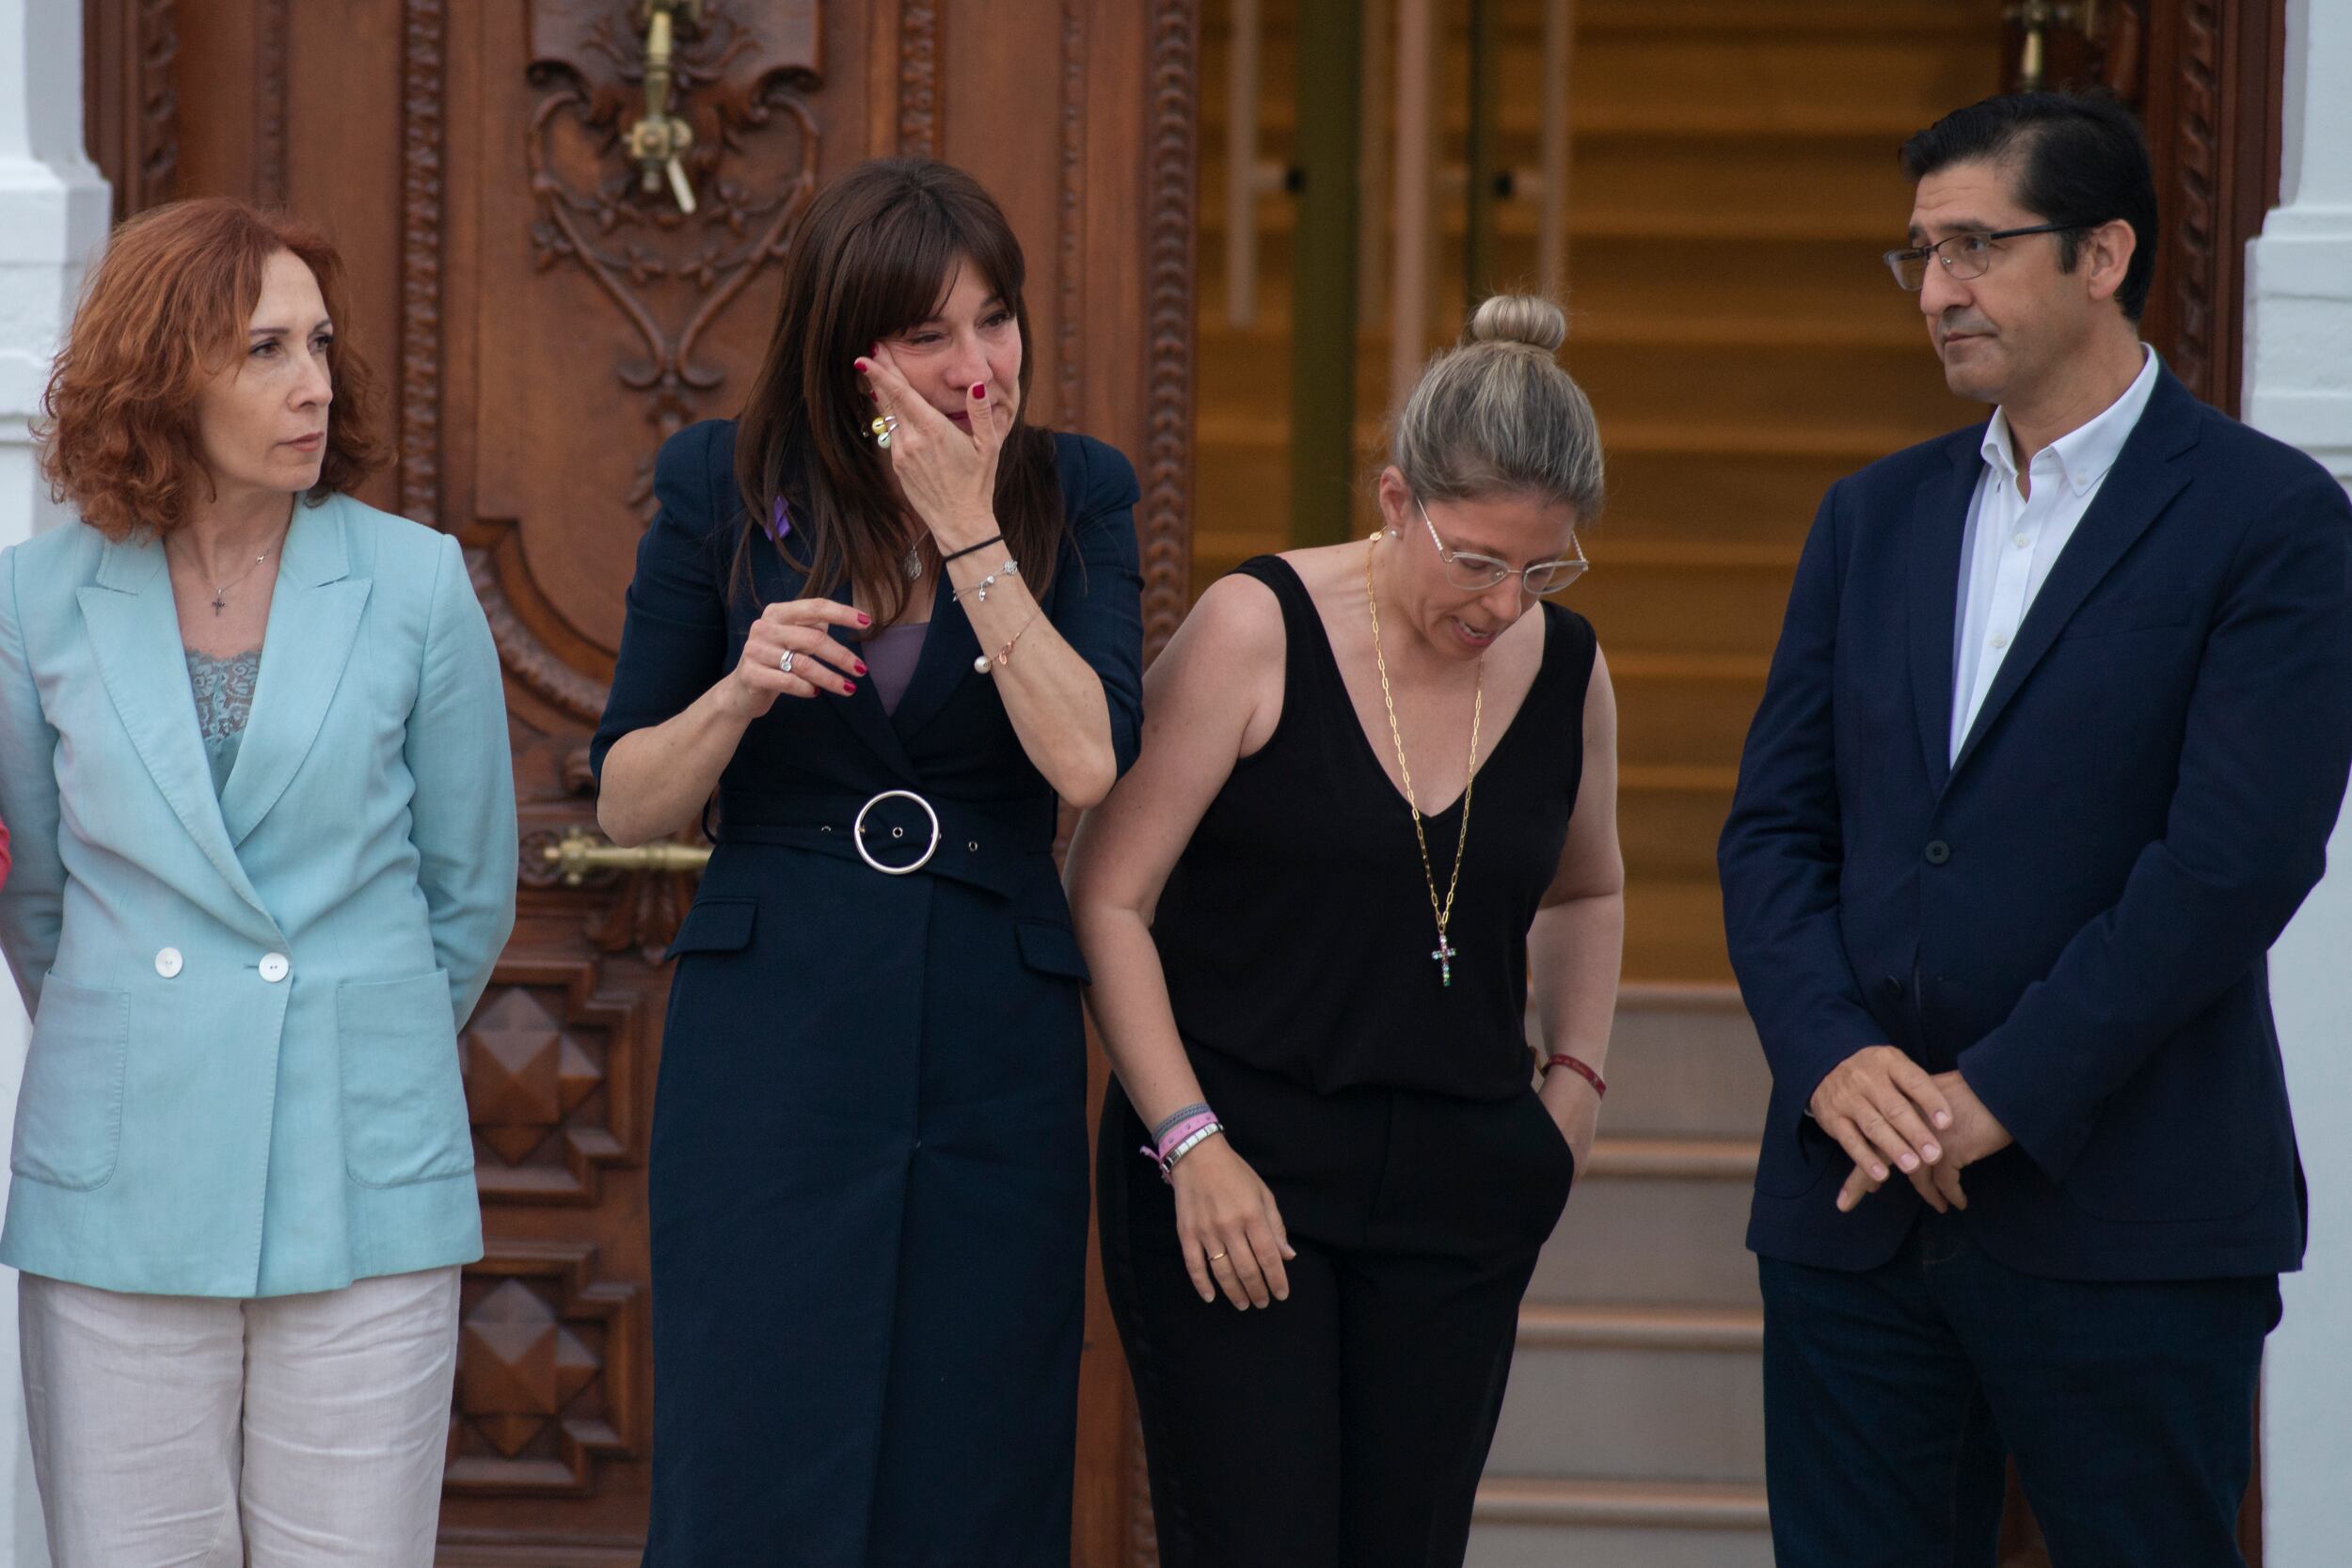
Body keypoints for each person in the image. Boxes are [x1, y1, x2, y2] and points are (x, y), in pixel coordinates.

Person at [1719, 92, 2352, 1568]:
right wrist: (1831, 1056)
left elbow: (2233, 862)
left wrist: (2003, 1090)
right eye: (1921, 253)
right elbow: (1773, 835)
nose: (1935, 290)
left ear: (2102, 254)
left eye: (1974, 247)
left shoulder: (2270, 519)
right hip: (1854, 1211)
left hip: (2130, 1211)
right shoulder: (1868, 519)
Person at [591, 156, 1144, 1566]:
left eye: (996, 319)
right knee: (753, 1451)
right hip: (771, 1041)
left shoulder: (1075, 492)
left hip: (992, 1044)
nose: (976, 366)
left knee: (975, 1458)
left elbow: (1086, 759)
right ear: (850, 349)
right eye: (928, 334)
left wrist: (970, 529)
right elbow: (629, 797)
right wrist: (736, 694)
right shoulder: (722, 484)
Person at [0, 198, 516, 1565]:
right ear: (162, 378)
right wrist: (160, 1041)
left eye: (321, 343)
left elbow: (470, 891)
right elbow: (37, 902)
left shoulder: (418, 583)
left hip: (363, 1167)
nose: (316, 385)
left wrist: (355, 1037)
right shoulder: (33, 600)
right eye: (266, 350)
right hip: (123, 1175)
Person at [1067, 293, 1620, 1568]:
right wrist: (1189, 1141)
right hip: (1238, 1169)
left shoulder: (1571, 667)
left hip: (1465, 1180)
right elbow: (1106, 896)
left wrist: (1576, 1085)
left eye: (1543, 570)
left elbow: (1587, 892)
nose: (1504, 604)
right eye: (1476, 561)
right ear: (1395, 500)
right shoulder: (1253, 628)